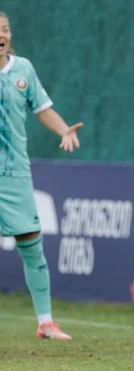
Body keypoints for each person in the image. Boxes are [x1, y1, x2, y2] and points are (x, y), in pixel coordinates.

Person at [0, 11, 82, 340]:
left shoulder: (23, 70)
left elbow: (42, 108)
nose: (1, 34)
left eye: (5, 29)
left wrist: (64, 130)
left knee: (31, 243)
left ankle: (46, 322)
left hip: (13, 173)